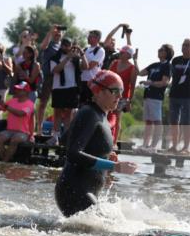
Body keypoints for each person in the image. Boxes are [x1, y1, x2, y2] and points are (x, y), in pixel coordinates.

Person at [54, 70, 138, 217]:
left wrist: (103, 155)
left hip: (83, 191)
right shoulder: (89, 113)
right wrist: (114, 166)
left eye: (121, 91)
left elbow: (65, 139)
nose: (120, 96)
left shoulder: (99, 115)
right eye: (115, 91)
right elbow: (72, 153)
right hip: (75, 191)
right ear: (98, 91)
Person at [139, 44, 174, 150]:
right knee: (148, 122)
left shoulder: (167, 66)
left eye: (161, 50)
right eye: (159, 49)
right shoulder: (154, 65)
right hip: (147, 96)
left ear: (167, 53)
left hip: (156, 97)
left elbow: (164, 82)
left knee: (157, 122)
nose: (159, 51)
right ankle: (145, 144)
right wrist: (135, 60)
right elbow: (140, 73)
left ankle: (153, 146)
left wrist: (150, 82)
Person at [48, 37, 82, 145]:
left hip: (72, 87)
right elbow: (55, 70)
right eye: (63, 45)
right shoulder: (55, 57)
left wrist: (80, 54)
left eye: (67, 45)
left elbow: (85, 67)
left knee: (69, 114)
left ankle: (66, 137)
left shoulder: (76, 58)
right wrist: (67, 58)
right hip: (58, 87)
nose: (65, 47)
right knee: (57, 113)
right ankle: (55, 137)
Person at [0, 82, 35, 161]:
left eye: (20, 90)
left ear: (26, 91)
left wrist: (6, 106)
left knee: (14, 140)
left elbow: (20, 113)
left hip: (23, 133)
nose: (17, 91)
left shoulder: (30, 104)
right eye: (17, 89)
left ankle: (4, 162)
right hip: (9, 130)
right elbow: (1, 108)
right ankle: (4, 160)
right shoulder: (12, 101)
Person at [168, 38, 190, 154]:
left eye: (187, 45)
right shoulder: (176, 60)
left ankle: (186, 147)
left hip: (187, 96)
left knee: (186, 122)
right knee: (174, 121)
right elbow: (171, 75)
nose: (184, 47)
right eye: (183, 45)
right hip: (174, 94)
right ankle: (174, 145)